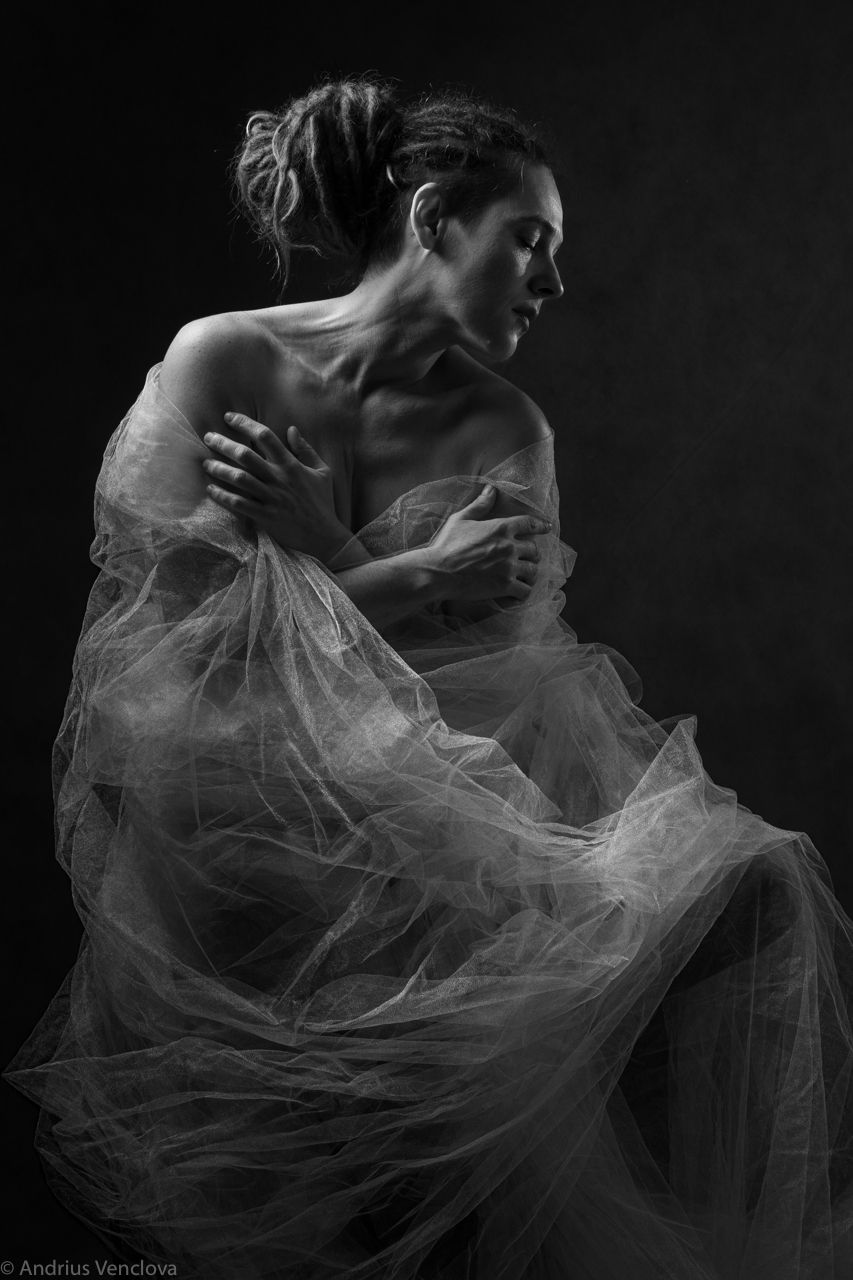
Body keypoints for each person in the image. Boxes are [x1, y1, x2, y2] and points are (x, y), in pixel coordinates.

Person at [5, 75, 853, 1280]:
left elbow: (478, 698)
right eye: (530, 239)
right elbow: (176, 675)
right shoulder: (221, 360)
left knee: (750, 888)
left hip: (425, 859)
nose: (553, 281)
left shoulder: (509, 432)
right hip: (229, 849)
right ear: (434, 217)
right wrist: (413, 573)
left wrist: (315, 544)